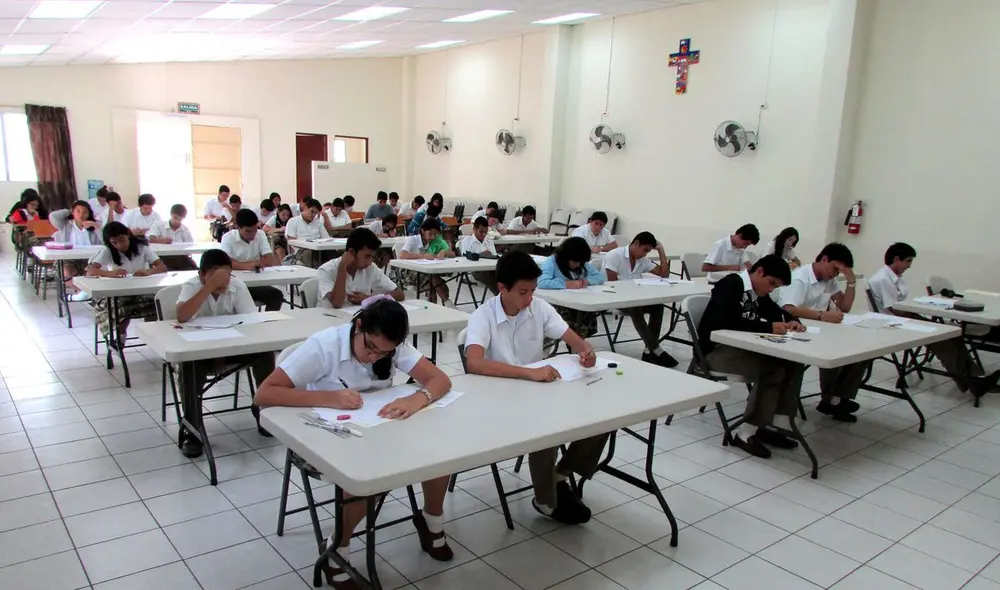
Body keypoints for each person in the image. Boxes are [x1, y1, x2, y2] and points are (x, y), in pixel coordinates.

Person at [255, 299, 456, 587]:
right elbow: (264, 394)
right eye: (370, 348)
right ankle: (338, 547)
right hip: (325, 434)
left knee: (439, 452)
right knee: (367, 475)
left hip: (378, 430)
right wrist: (328, 398)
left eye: (384, 353)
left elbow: (439, 379)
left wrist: (417, 398)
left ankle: (431, 522)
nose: (375, 357)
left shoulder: (390, 345)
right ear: (358, 326)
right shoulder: (323, 346)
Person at [464, 250, 605, 524]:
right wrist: (528, 373)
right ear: (502, 288)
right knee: (545, 427)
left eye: (533, 290)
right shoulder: (483, 316)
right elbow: (474, 363)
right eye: (523, 292)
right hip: (498, 399)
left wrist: (586, 351)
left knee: (602, 419)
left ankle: (558, 475)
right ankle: (546, 500)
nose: (529, 298)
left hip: (537, 391)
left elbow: (571, 337)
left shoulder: (538, 308)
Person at [697, 255, 805, 458]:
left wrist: (792, 320)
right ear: (759, 272)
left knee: (791, 362)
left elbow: (776, 312)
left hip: (740, 349)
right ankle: (745, 433)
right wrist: (768, 327)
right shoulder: (731, 284)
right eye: (771, 283)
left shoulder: (758, 293)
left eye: (775, 287)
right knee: (772, 369)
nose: (771, 289)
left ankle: (770, 425)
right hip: (716, 352)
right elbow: (725, 321)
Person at [175, 249, 275, 456]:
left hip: (232, 347)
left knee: (264, 353)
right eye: (216, 275)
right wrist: (209, 287)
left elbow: (252, 322)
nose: (223, 281)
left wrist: (228, 346)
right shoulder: (192, 286)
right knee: (188, 367)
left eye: (226, 275)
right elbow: (182, 316)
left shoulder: (237, 285)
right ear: (202, 274)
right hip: (199, 351)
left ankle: (263, 410)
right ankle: (193, 430)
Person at [870, 242, 1000, 399]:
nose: (909, 265)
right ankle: (969, 382)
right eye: (908, 261)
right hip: (894, 322)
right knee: (943, 340)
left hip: (905, 318)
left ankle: (976, 377)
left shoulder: (895, 277)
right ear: (897, 259)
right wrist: (918, 308)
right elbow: (895, 309)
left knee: (955, 334)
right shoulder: (883, 279)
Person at [777, 243, 863, 422]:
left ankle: (835, 399)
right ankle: (827, 400)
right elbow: (788, 308)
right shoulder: (800, 278)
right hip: (794, 330)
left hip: (817, 330)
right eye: (835, 269)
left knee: (859, 352)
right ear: (824, 259)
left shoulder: (828, 280)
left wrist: (851, 283)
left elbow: (845, 307)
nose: (836, 274)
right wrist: (822, 315)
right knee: (834, 351)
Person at [602, 232, 678, 368]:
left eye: (648, 251)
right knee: (635, 308)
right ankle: (657, 350)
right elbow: (613, 285)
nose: (645, 254)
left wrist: (661, 250)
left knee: (658, 306)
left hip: (635, 298)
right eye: (645, 250)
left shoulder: (641, 260)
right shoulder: (615, 255)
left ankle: (648, 350)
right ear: (636, 243)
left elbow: (664, 274)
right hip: (613, 298)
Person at [86, 222, 166, 349]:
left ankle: (152, 334)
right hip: (117, 292)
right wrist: (110, 273)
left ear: (128, 234)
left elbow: (162, 267)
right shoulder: (108, 250)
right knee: (121, 307)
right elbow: (90, 271)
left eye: (122, 240)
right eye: (114, 242)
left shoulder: (142, 247)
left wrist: (148, 271)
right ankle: (121, 336)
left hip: (141, 290)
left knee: (159, 302)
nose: (119, 245)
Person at [317, 228, 403, 309]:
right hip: (329, 317)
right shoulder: (326, 270)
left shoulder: (370, 268)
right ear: (351, 252)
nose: (370, 262)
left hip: (358, 317)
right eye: (367, 256)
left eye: (372, 257)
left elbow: (399, 294)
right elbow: (337, 303)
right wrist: (342, 266)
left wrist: (370, 299)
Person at [539, 237, 605, 338]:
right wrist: (566, 284)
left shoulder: (582, 263)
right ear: (566, 257)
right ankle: (574, 340)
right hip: (558, 303)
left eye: (580, 262)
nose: (577, 265)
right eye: (574, 262)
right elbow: (542, 282)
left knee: (587, 312)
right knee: (571, 318)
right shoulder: (551, 262)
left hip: (578, 300)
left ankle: (578, 339)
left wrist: (587, 281)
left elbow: (599, 277)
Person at [220, 209, 284, 311]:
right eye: (248, 231)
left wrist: (238, 264)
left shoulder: (260, 234)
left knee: (276, 295)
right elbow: (225, 263)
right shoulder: (228, 238)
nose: (252, 234)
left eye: (255, 230)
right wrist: (251, 265)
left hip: (255, 283)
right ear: (238, 227)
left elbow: (269, 260)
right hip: (233, 284)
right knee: (231, 299)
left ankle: (268, 320)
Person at [50, 201, 101, 301]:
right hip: (68, 258)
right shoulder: (65, 224)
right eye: (78, 211)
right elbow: (53, 216)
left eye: (85, 212)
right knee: (66, 272)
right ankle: (85, 292)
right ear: (73, 212)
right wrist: (69, 211)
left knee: (94, 272)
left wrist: (96, 227)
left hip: (89, 258)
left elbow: (104, 242)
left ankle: (84, 294)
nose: (81, 215)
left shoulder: (94, 225)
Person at [400, 218, 454, 306]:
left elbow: (452, 254)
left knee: (432, 281)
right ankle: (448, 303)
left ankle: (442, 305)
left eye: (435, 234)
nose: (432, 237)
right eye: (430, 234)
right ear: (422, 231)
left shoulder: (435, 241)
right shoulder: (413, 240)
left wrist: (444, 252)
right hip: (410, 271)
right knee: (434, 282)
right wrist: (423, 256)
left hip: (426, 271)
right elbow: (402, 255)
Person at [458, 216, 500, 295]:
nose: (484, 234)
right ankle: (501, 295)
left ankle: (507, 293)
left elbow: (495, 258)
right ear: (474, 229)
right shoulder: (466, 242)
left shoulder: (489, 242)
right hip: (476, 271)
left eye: (486, 232)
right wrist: (481, 255)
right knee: (489, 275)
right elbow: (465, 260)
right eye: (481, 231)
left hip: (491, 268)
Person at [285, 198, 333, 266]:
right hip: (301, 251)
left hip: (318, 250)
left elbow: (326, 238)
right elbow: (291, 241)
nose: (313, 215)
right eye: (312, 211)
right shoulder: (293, 221)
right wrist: (307, 245)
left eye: (316, 213)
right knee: (308, 254)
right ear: (305, 207)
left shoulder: (318, 223)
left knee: (334, 253)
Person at [149, 204, 197, 270]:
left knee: (194, 268)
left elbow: (190, 245)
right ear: (171, 214)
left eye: (180, 219)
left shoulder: (185, 230)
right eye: (175, 218)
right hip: (162, 257)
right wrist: (162, 241)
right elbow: (150, 239)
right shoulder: (159, 225)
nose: (177, 221)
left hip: (180, 257)